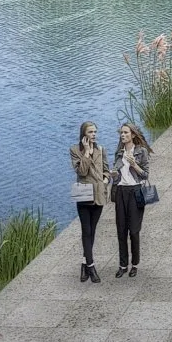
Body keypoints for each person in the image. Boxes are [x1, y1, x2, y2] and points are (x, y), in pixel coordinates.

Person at [110, 123, 152, 277]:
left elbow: (145, 175)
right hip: (121, 191)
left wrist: (134, 164)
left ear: (133, 135)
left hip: (135, 191)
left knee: (134, 231)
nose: (122, 135)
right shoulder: (119, 152)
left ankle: (134, 264)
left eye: (126, 132)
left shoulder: (141, 152)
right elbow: (117, 174)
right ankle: (122, 265)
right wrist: (113, 175)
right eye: (121, 133)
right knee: (121, 230)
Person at [69, 122, 108, 284]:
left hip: (99, 194)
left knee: (92, 231)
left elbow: (106, 168)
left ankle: (84, 263)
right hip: (84, 195)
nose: (94, 134)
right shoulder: (74, 150)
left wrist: (106, 180)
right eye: (91, 132)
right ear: (83, 134)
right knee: (86, 230)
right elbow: (81, 171)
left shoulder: (101, 149)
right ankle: (91, 266)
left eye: (95, 132)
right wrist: (85, 153)